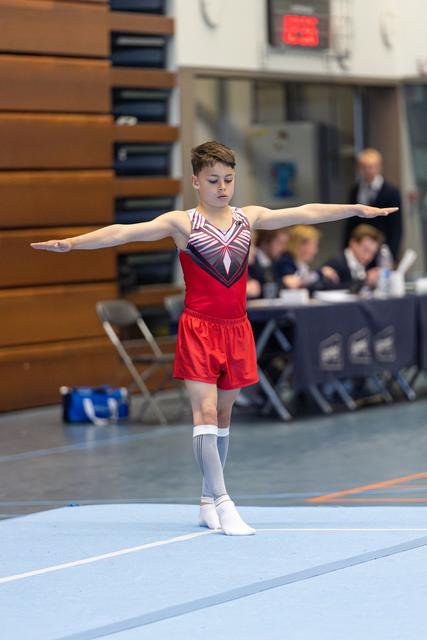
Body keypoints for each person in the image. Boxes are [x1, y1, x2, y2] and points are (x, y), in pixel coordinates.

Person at [31, 140, 397, 536]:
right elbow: (124, 232)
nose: (222, 187)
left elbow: (304, 211)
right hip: (199, 328)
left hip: (236, 328)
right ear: (195, 182)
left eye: (228, 179)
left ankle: (207, 499)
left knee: (223, 417)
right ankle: (225, 501)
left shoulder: (247, 218)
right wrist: (74, 243)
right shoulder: (182, 223)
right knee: (203, 414)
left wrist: (357, 210)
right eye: (213, 180)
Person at [343, 148, 402, 261]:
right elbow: (349, 222)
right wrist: (346, 249)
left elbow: (396, 228)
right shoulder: (355, 190)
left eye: (372, 167)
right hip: (359, 250)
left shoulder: (391, 192)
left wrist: (391, 255)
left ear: (379, 167)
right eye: (365, 167)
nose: (369, 171)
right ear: (359, 168)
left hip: (381, 249)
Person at [275, 225, 339, 292]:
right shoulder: (285, 262)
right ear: (301, 245)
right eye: (314, 245)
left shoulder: (301, 264)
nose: (316, 250)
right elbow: (298, 283)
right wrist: (320, 272)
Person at [324, 224, 383, 291]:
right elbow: (329, 289)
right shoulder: (336, 263)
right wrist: (365, 281)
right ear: (353, 243)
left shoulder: (363, 264)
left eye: (373, 253)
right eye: (366, 250)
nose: (369, 257)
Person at [247, 228, 289, 299]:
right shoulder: (253, 264)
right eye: (279, 242)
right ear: (265, 242)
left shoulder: (274, 262)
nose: (283, 248)